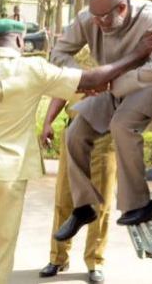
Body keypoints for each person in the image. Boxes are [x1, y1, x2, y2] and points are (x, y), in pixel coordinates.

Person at [0, 19, 152, 284]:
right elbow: (91, 79)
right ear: (20, 41)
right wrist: (138, 54)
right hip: (8, 174)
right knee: (0, 249)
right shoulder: (33, 69)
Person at [51, 0, 152, 242]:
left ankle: (140, 204)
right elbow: (58, 54)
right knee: (75, 132)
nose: (98, 23)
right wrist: (87, 78)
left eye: (104, 17)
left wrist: (112, 81)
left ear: (122, 7)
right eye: (94, 16)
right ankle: (84, 207)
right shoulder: (87, 18)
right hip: (111, 82)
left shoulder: (150, 18)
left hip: (150, 82)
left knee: (122, 125)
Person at [39, 100, 115, 284]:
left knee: (100, 203)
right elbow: (61, 93)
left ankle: (95, 262)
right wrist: (48, 121)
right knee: (64, 198)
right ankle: (58, 258)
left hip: (105, 135)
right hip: (73, 132)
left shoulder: (118, 70)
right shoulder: (72, 69)